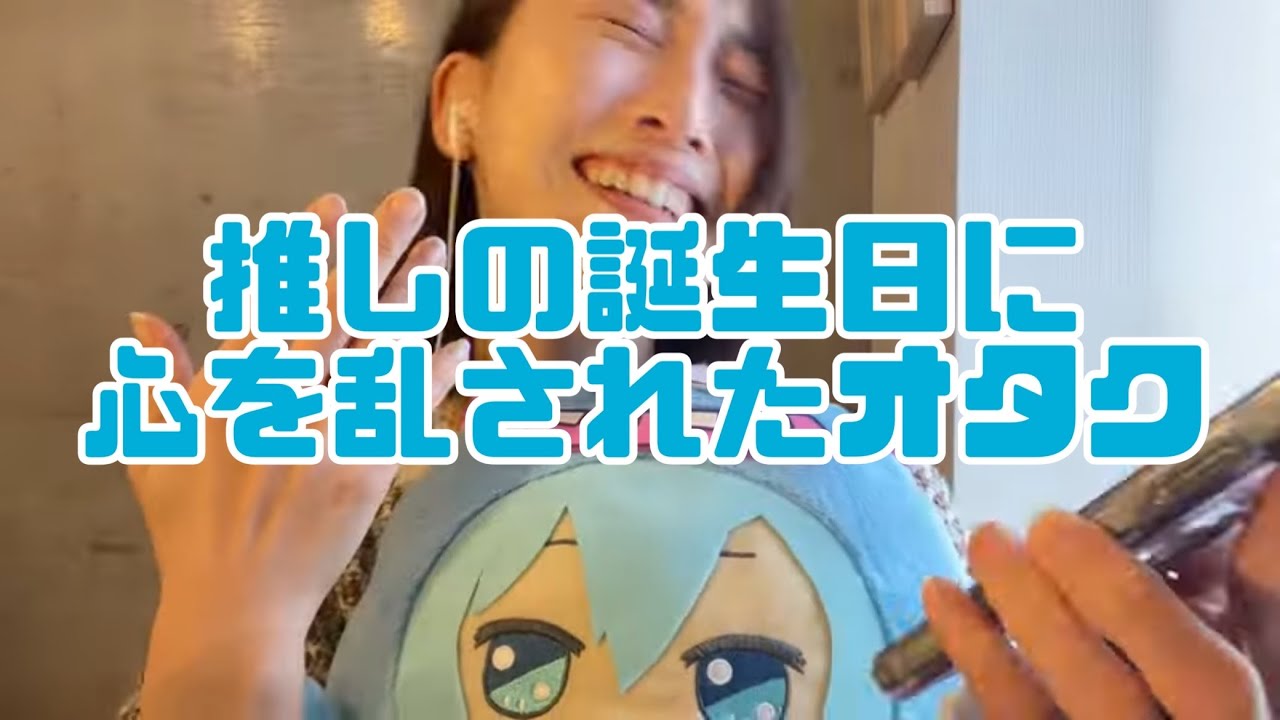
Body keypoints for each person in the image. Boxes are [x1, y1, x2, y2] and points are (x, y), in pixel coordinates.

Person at [118, 0, 1280, 718]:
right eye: (628, 28)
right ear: (460, 102)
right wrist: (226, 628)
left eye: (739, 87)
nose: (685, 116)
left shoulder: (853, 473)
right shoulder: (299, 464)